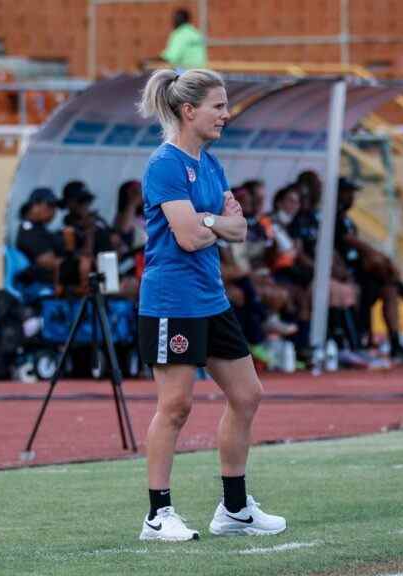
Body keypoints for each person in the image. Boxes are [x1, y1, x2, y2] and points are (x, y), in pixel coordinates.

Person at [136, 68, 286, 542]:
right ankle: (158, 515)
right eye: (218, 106)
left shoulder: (212, 163)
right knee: (176, 405)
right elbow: (189, 235)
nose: (226, 114)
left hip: (210, 297)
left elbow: (240, 230)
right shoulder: (164, 165)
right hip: (171, 301)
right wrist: (213, 221)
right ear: (189, 111)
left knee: (248, 395)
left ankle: (235, 509)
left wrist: (211, 222)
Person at [335, 177, 403, 362]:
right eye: (349, 193)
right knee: (377, 262)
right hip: (344, 273)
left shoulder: (347, 219)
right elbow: (348, 241)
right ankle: (396, 281)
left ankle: (395, 344)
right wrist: (374, 253)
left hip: (359, 272)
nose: (352, 197)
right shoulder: (332, 217)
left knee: (389, 290)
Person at [15, 187, 64, 288]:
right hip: (39, 287)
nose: (53, 211)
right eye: (50, 205)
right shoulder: (30, 231)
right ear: (35, 206)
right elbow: (47, 262)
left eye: (55, 207)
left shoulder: (40, 229)